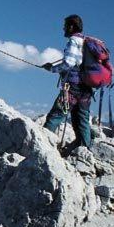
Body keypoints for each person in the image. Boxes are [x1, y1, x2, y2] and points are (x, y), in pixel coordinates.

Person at [42, 14, 93, 149]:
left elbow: (69, 63)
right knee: (81, 121)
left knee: (55, 116)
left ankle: (42, 146)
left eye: (65, 26)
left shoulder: (73, 41)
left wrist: (52, 69)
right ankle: (85, 152)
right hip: (86, 89)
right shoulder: (86, 42)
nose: (63, 29)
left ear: (71, 26)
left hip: (72, 88)